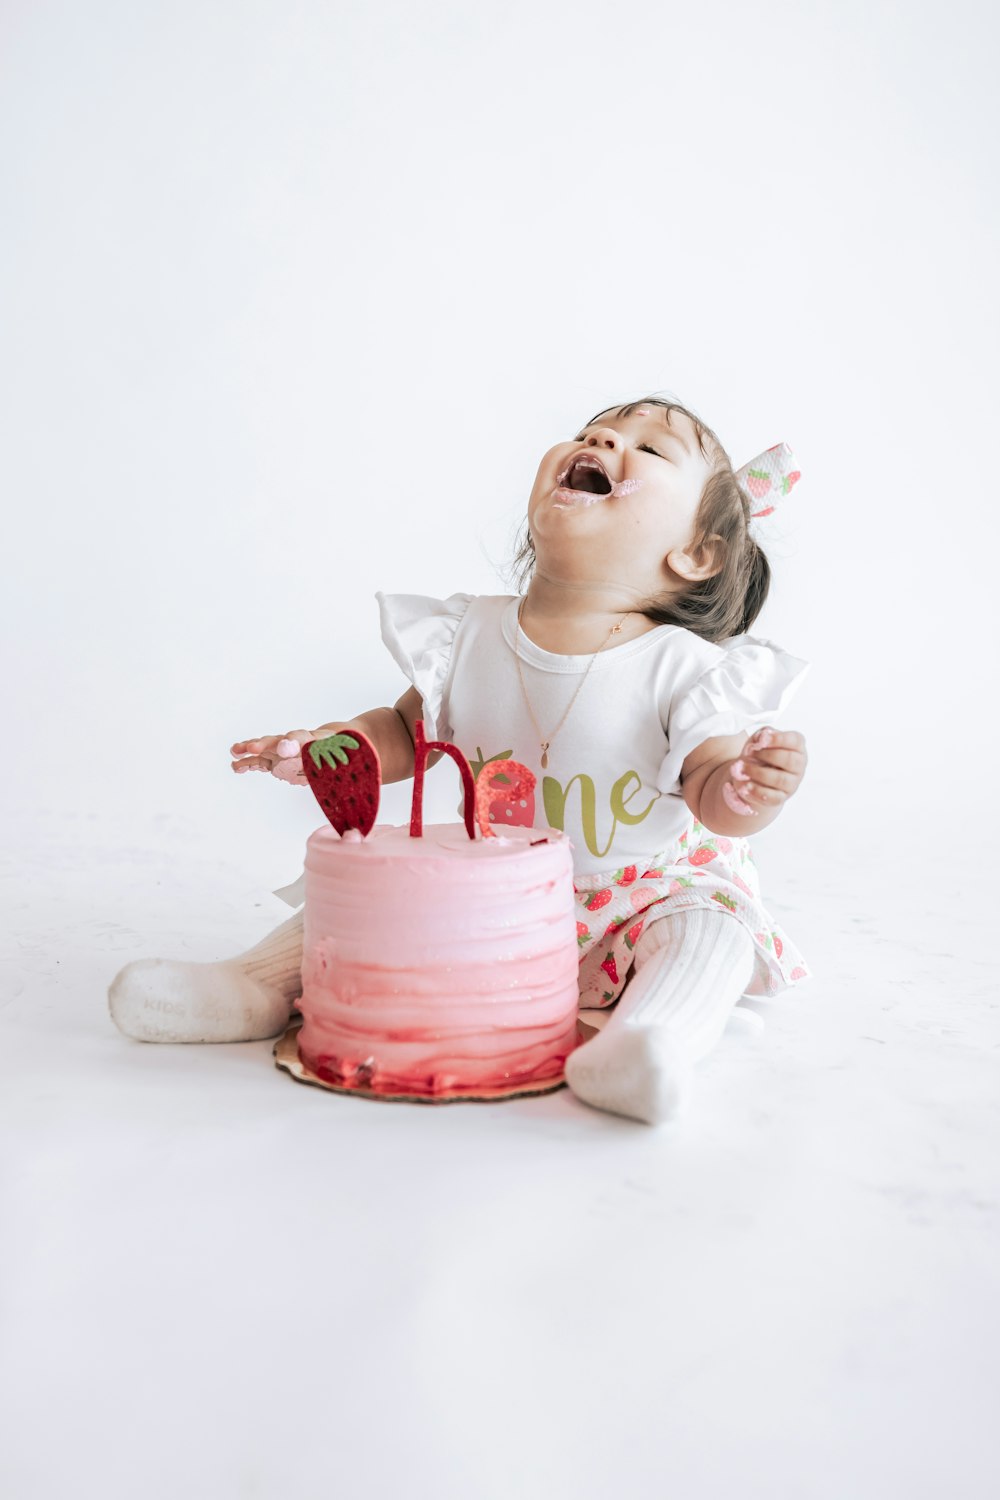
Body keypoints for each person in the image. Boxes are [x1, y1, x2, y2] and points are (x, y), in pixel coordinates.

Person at [109, 394, 810, 1125]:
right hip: (493, 898)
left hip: (640, 897)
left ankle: (649, 1041)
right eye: (591, 430)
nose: (603, 435)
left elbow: (711, 796)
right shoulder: (469, 635)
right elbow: (403, 734)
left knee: (710, 930)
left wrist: (747, 786)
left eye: (652, 447)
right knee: (377, 903)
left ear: (696, 553)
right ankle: (251, 986)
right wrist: (331, 750)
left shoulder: (684, 669)